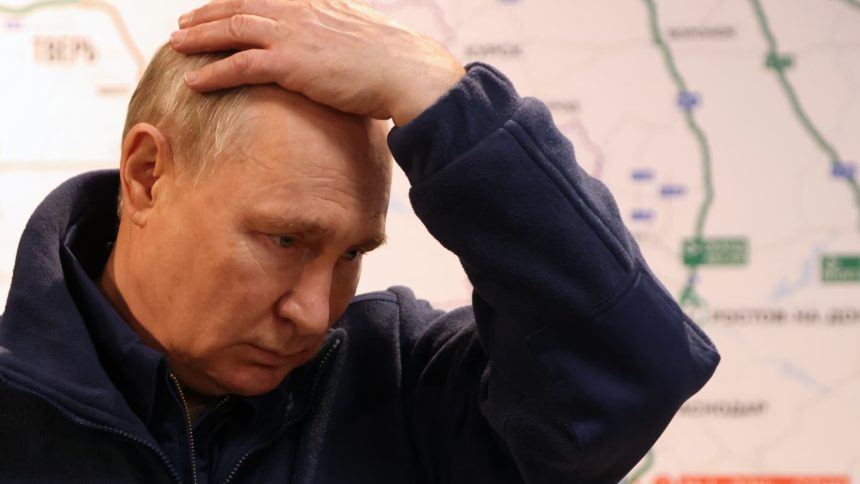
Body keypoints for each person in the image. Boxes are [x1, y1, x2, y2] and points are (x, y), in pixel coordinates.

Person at [0, 0, 719, 482]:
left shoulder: (407, 388)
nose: (315, 314)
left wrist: (442, 96)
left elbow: (627, 376)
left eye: (351, 254)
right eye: (286, 239)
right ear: (148, 176)